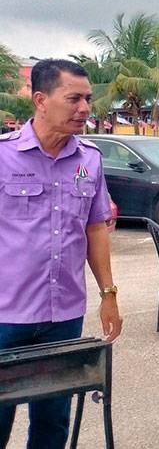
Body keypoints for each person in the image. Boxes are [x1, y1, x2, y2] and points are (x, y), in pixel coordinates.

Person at [0, 59, 122, 448]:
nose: (85, 108)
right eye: (74, 99)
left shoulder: (90, 159)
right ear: (40, 100)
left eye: (87, 99)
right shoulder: (3, 157)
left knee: (53, 422)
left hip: (63, 314)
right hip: (6, 315)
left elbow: (95, 228)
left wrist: (109, 294)